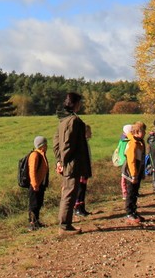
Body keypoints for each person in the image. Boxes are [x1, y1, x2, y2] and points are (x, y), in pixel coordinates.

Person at [53, 92, 92, 235]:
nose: (80, 105)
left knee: (68, 193)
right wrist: (63, 161)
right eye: (79, 102)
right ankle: (64, 226)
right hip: (72, 164)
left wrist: (59, 160)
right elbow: (67, 145)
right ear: (75, 104)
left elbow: (56, 143)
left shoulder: (62, 120)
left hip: (68, 163)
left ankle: (65, 224)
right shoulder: (73, 121)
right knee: (70, 193)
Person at [123, 121, 147, 224]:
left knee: (135, 193)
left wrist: (142, 173)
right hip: (131, 173)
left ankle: (134, 211)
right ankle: (129, 213)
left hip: (138, 171)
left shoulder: (140, 142)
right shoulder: (132, 143)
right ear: (136, 131)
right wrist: (133, 175)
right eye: (143, 131)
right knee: (131, 193)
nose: (145, 133)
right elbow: (131, 161)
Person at [27, 136, 50, 231]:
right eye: (45, 144)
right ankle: (32, 224)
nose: (47, 146)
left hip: (40, 184)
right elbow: (32, 171)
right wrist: (35, 184)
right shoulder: (35, 155)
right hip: (35, 185)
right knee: (34, 204)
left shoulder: (42, 154)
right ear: (41, 145)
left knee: (39, 203)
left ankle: (37, 221)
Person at [74, 124, 93, 216]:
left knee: (83, 188)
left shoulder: (85, 143)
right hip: (82, 170)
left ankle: (82, 207)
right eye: (89, 131)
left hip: (86, 169)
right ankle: (77, 208)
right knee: (80, 189)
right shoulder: (81, 144)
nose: (91, 133)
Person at [114, 124, 133, 200]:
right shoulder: (127, 140)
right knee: (125, 177)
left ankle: (126, 192)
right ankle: (125, 193)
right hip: (126, 160)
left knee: (125, 176)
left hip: (122, 160)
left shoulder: (122, 139)